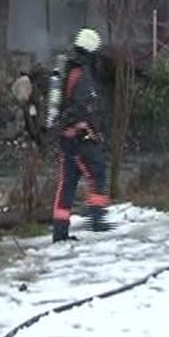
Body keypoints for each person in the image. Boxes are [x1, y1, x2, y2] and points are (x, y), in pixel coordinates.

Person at [51, 28, 112, 243]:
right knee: (98, 174)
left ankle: (60, 232)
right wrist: (81, 126)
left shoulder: (68, 68)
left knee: (66, 184)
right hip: (80, 137)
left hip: (67, 138)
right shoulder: (83, 74)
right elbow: (81, 105)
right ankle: (97, 221)